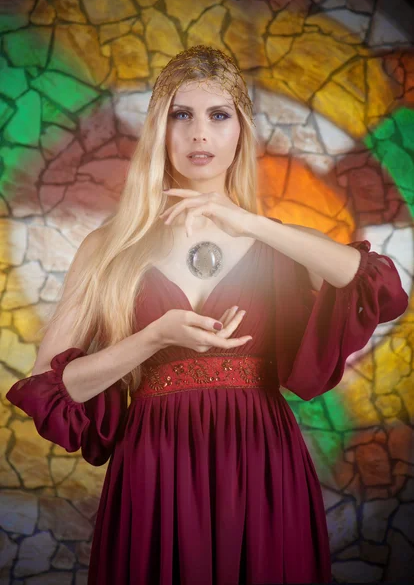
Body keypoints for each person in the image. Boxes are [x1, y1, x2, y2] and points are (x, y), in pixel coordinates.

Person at [6, 45, 408, 585]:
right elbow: (50, 387)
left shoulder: (279, 240)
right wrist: (152, 337)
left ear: (240, 129)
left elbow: (373, 283)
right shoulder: (109, 246)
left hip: (261, 460)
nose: (200, 134)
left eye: (218, 115)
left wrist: (251, 224)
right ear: (159, 129)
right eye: (182, 114)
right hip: (155, 463)